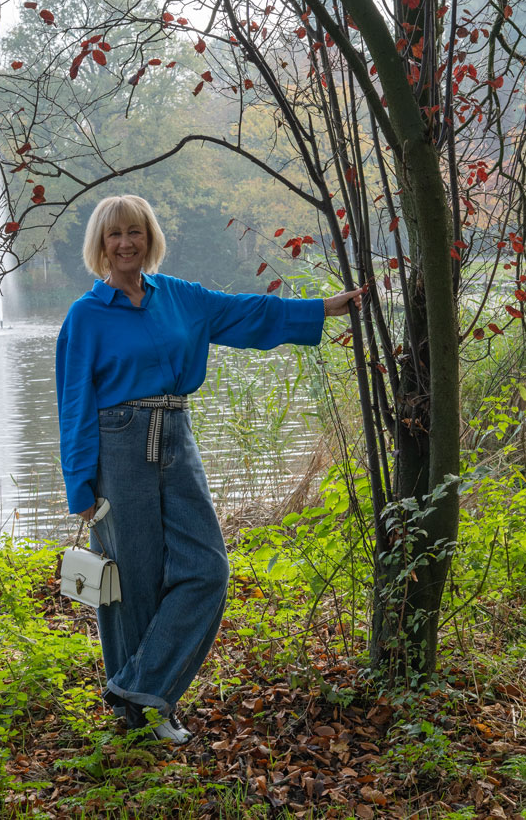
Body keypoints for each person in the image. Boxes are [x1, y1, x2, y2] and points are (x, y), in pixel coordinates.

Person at [56, 195, 363, 744]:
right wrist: (80, 486)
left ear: (149, 237)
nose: (126, 243)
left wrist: (321, 309)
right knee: (133, 582)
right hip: (119, 446)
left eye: (135, 232)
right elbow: (74, 400)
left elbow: (248, 313)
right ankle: (144, 716)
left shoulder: (179, 297)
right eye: (114, 235)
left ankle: (138, 689)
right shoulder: (87, 315)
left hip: (177, 436)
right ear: (100, 245)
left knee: (208, 569)